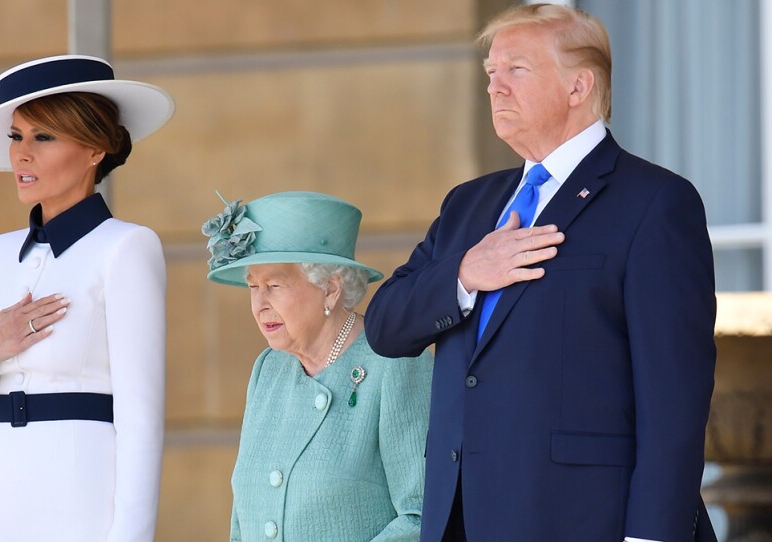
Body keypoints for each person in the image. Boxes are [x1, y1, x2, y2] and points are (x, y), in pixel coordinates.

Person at [364, 4, 717, 542]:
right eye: (490, 72)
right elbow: (385, 326)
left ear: (579, 87)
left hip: (583, 522)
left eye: (516, 70)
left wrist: (651, 536)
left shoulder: (656, 203)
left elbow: (674, 403)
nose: (495, 87)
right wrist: (465, 272)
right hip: (459, 518)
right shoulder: (468, 205)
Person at [0, 55, 174, 541]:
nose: (22, 154)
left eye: (43, 137)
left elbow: (142, 423)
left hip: (81, 500)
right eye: (16, 136)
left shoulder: (127, 248)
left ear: (95, 150)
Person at [202, 191, 433, 541]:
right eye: (253, 287)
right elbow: (243, 517)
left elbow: (422, 516)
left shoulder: (394, 362)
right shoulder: (269, 370)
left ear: (330, 288)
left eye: (274, 285)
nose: (260, 304)